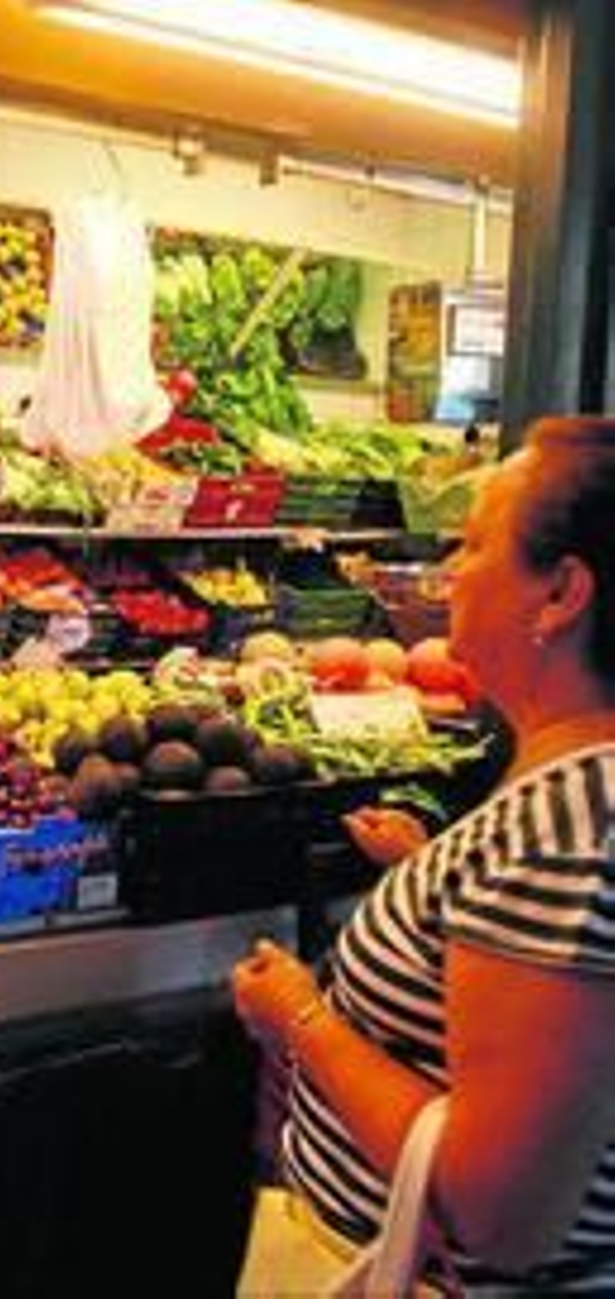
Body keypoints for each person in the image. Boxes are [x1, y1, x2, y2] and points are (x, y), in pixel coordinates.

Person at [232, 415, 615, 1292]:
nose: (448, 573)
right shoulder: (562, 814)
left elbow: (502, 1215)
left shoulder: (568, 832)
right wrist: (433, 877)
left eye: (475, 544)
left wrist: (303, 1016)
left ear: (560, 595)